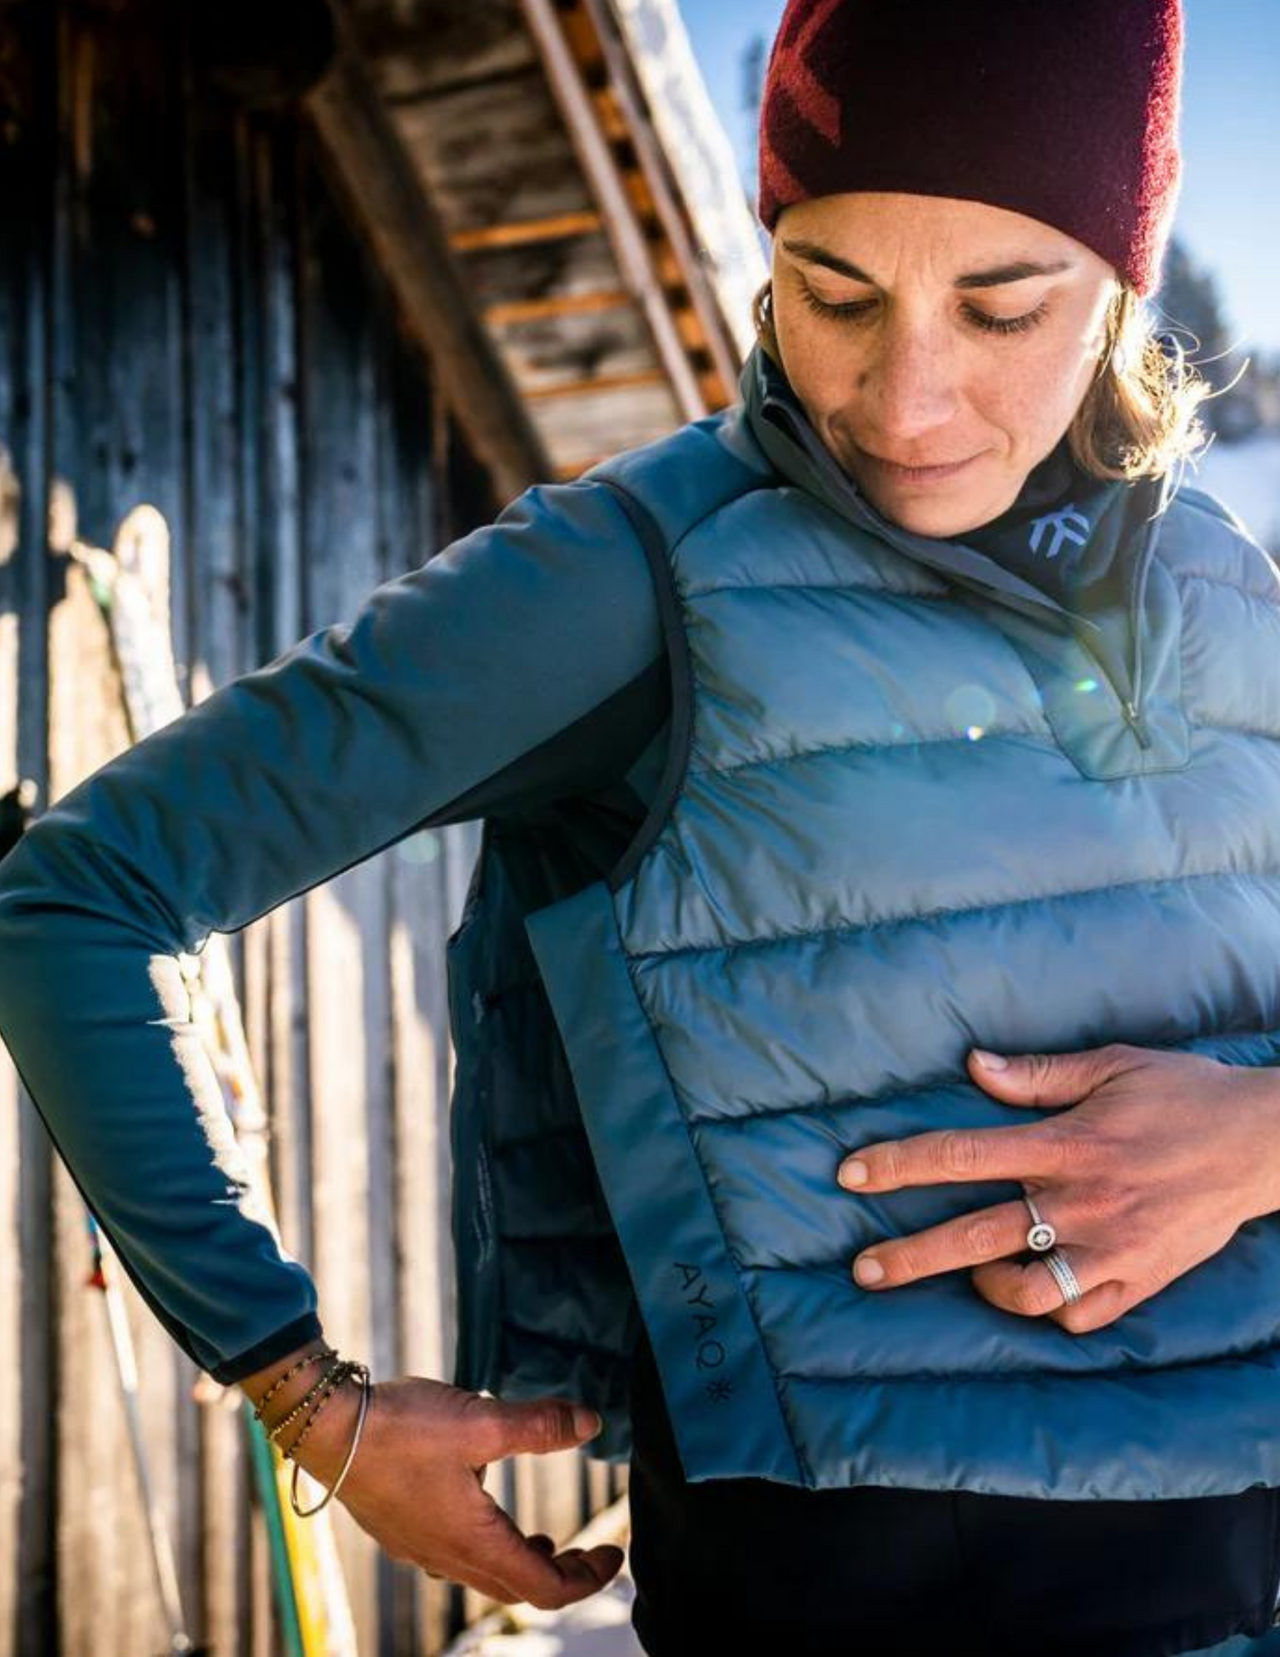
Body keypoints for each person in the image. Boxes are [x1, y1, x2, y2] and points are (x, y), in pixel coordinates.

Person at [3, 0, 1280, 1650]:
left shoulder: (1230, 594)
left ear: (1121, 281)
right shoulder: (639, 581)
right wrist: (308, 1397)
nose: (906, 404)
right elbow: (80, 897)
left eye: (1002, 305)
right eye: (833, 294)